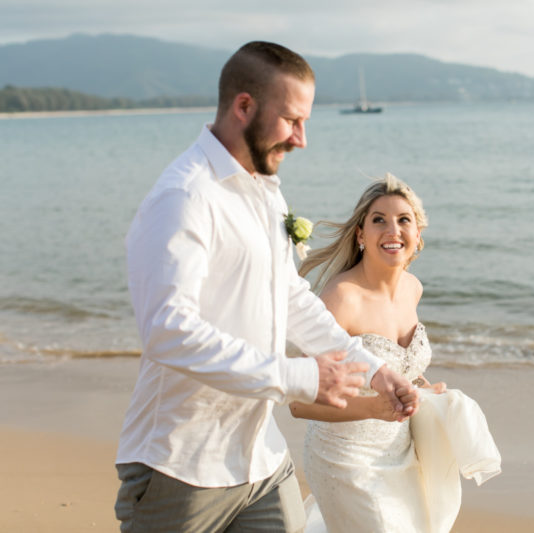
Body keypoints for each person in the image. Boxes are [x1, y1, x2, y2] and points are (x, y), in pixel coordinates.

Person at [114, 42, 419, 533]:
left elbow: (292, 298)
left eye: (306, 123)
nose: (302, 139)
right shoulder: (184, 197)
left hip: (261, 458)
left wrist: (375, 370)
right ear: (244, 106)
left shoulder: (265, 194)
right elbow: (167, 331)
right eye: (291, 121)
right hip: (183, 465)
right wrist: (301, 377)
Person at [290, 174, 449, 532]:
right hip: (344, 459)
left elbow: (401, 367)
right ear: (361, 235)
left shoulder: (413, 289)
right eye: (379, 220)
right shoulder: (342, 297)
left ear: (418, 236)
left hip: (402, 455)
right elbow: (298, 402)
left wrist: (422, 391)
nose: (393, 230)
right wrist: (373, 409)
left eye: (403, 220)